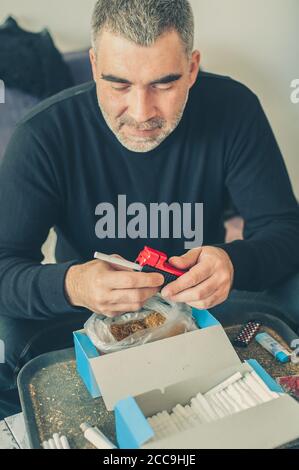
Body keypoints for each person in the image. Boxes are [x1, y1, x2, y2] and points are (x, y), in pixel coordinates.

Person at [0, 0, 298, 419]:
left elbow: (285, 229)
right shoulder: (44, 135)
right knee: (17, 335)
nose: (141, 114)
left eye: (164, 83)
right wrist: (72, 284)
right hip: (92, 321)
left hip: (203, 306)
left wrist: (233, 261)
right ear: (92, 64)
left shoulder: (234, 109)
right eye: (119, 84)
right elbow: (4, 267)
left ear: (192, 68)